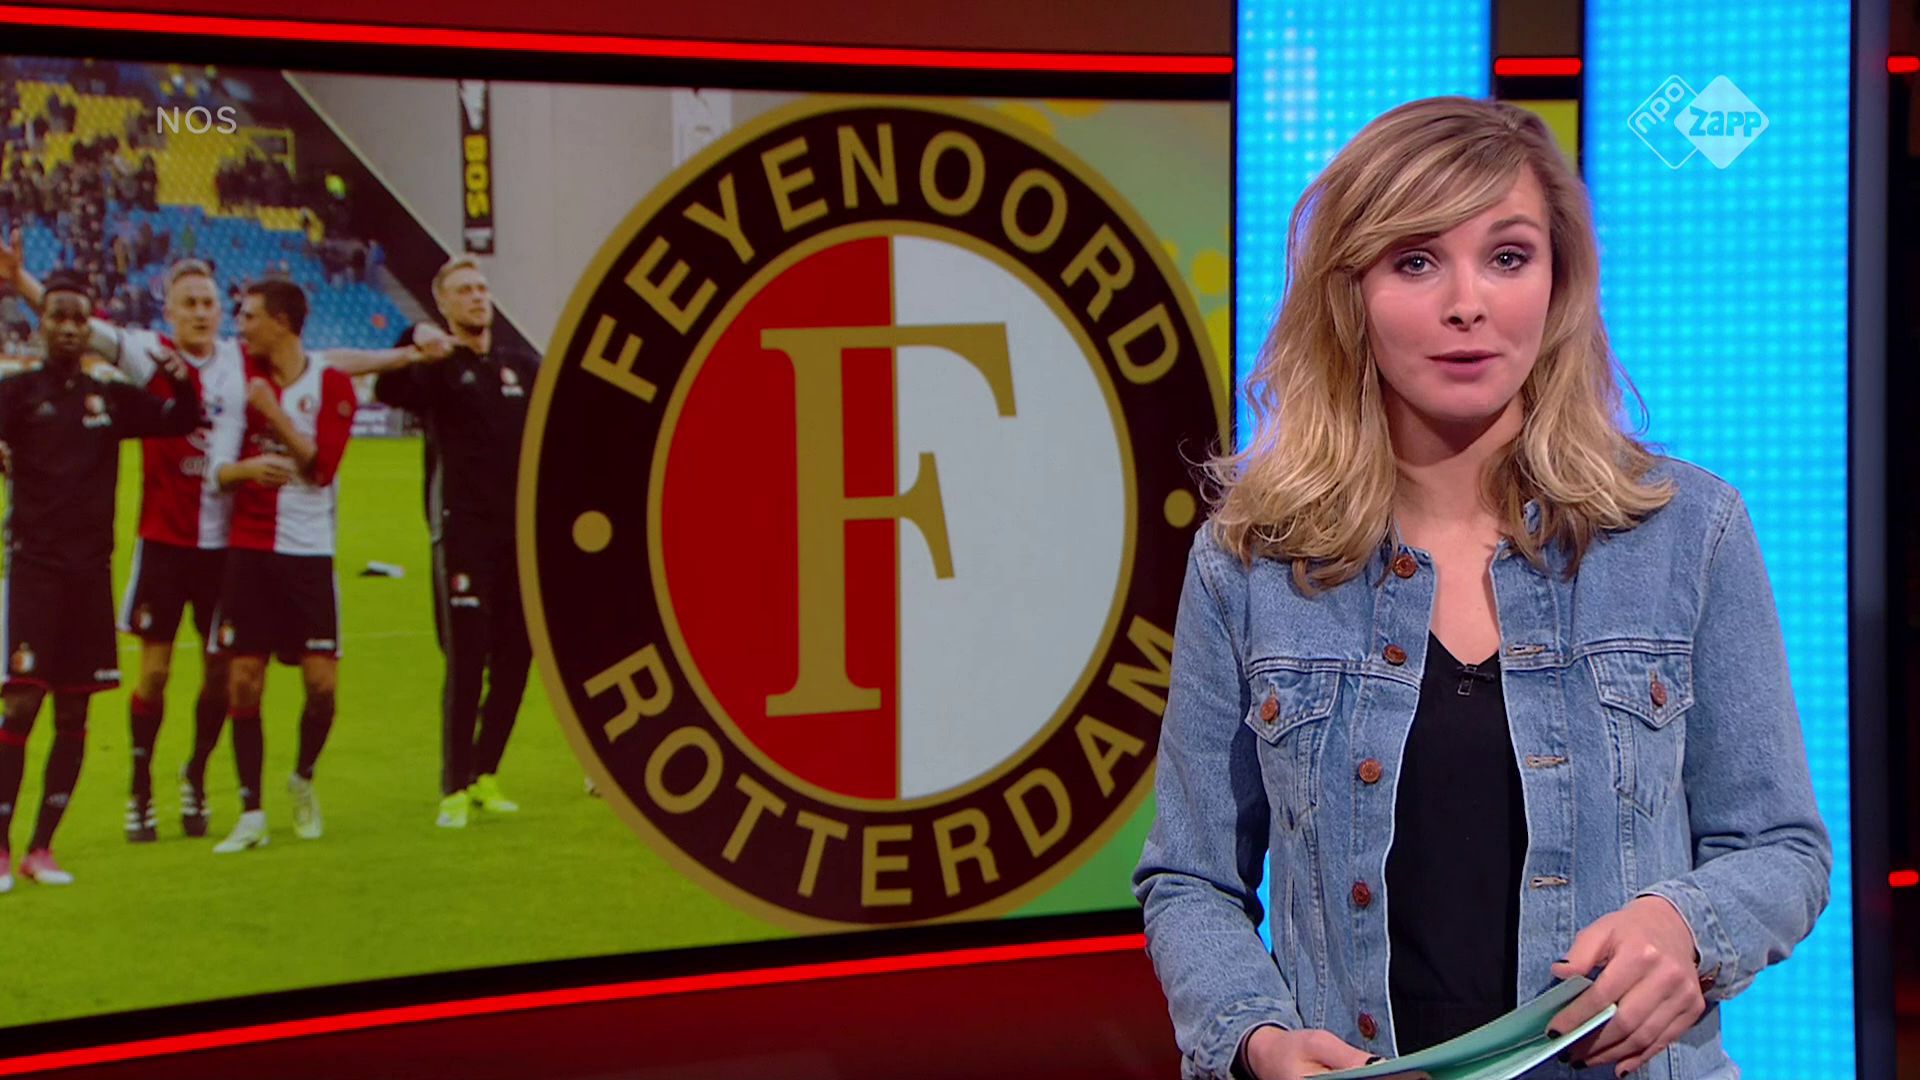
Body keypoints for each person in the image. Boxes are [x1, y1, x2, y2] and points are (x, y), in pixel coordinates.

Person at [1131, 98, 1832, 1080]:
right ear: (1351, 293)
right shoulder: (1249, 563)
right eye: (1416, 260)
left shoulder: (1687, 532)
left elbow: (1781, 848)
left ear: (1557, 283)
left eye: (1508, 256)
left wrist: (1685, 926)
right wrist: (1258, 1040)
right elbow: (1191, 879)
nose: (1468, 304)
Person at [0, 270, 201, 889]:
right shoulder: (16, 393)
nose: (67, 327)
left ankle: (42, 848)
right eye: (57, 316)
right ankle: (0, 848)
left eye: (77, 318)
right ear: (40, 324)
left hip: (90, 575)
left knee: (74, 708)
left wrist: (173, 372)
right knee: (21, 702)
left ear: (89, 328)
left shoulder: (108, 398)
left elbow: (182, 418)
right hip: (33, 570)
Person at [203, 279, 411, 854]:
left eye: (250, 316)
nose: (241, 326)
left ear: (282, 322)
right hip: (250, 550)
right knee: (244, 680)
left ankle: (302, 778)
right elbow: (216, 472)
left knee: (321, 687)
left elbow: (322, 471)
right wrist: (247, 470)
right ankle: (251, 811)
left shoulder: (331, 384)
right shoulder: (239, 381)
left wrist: (274, 415)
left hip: (310, 553)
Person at [374, 255, 536, 828]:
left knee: (518, 657)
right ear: (443, 303)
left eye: (481, 287)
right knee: (467, 658)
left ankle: (485, 773)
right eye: (463, 290)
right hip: (462, 531)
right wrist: (413, 337)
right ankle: (453, 786)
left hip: (519, 536)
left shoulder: (521, 367)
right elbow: (387, 387)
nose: (476, 296)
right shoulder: (438, 369)